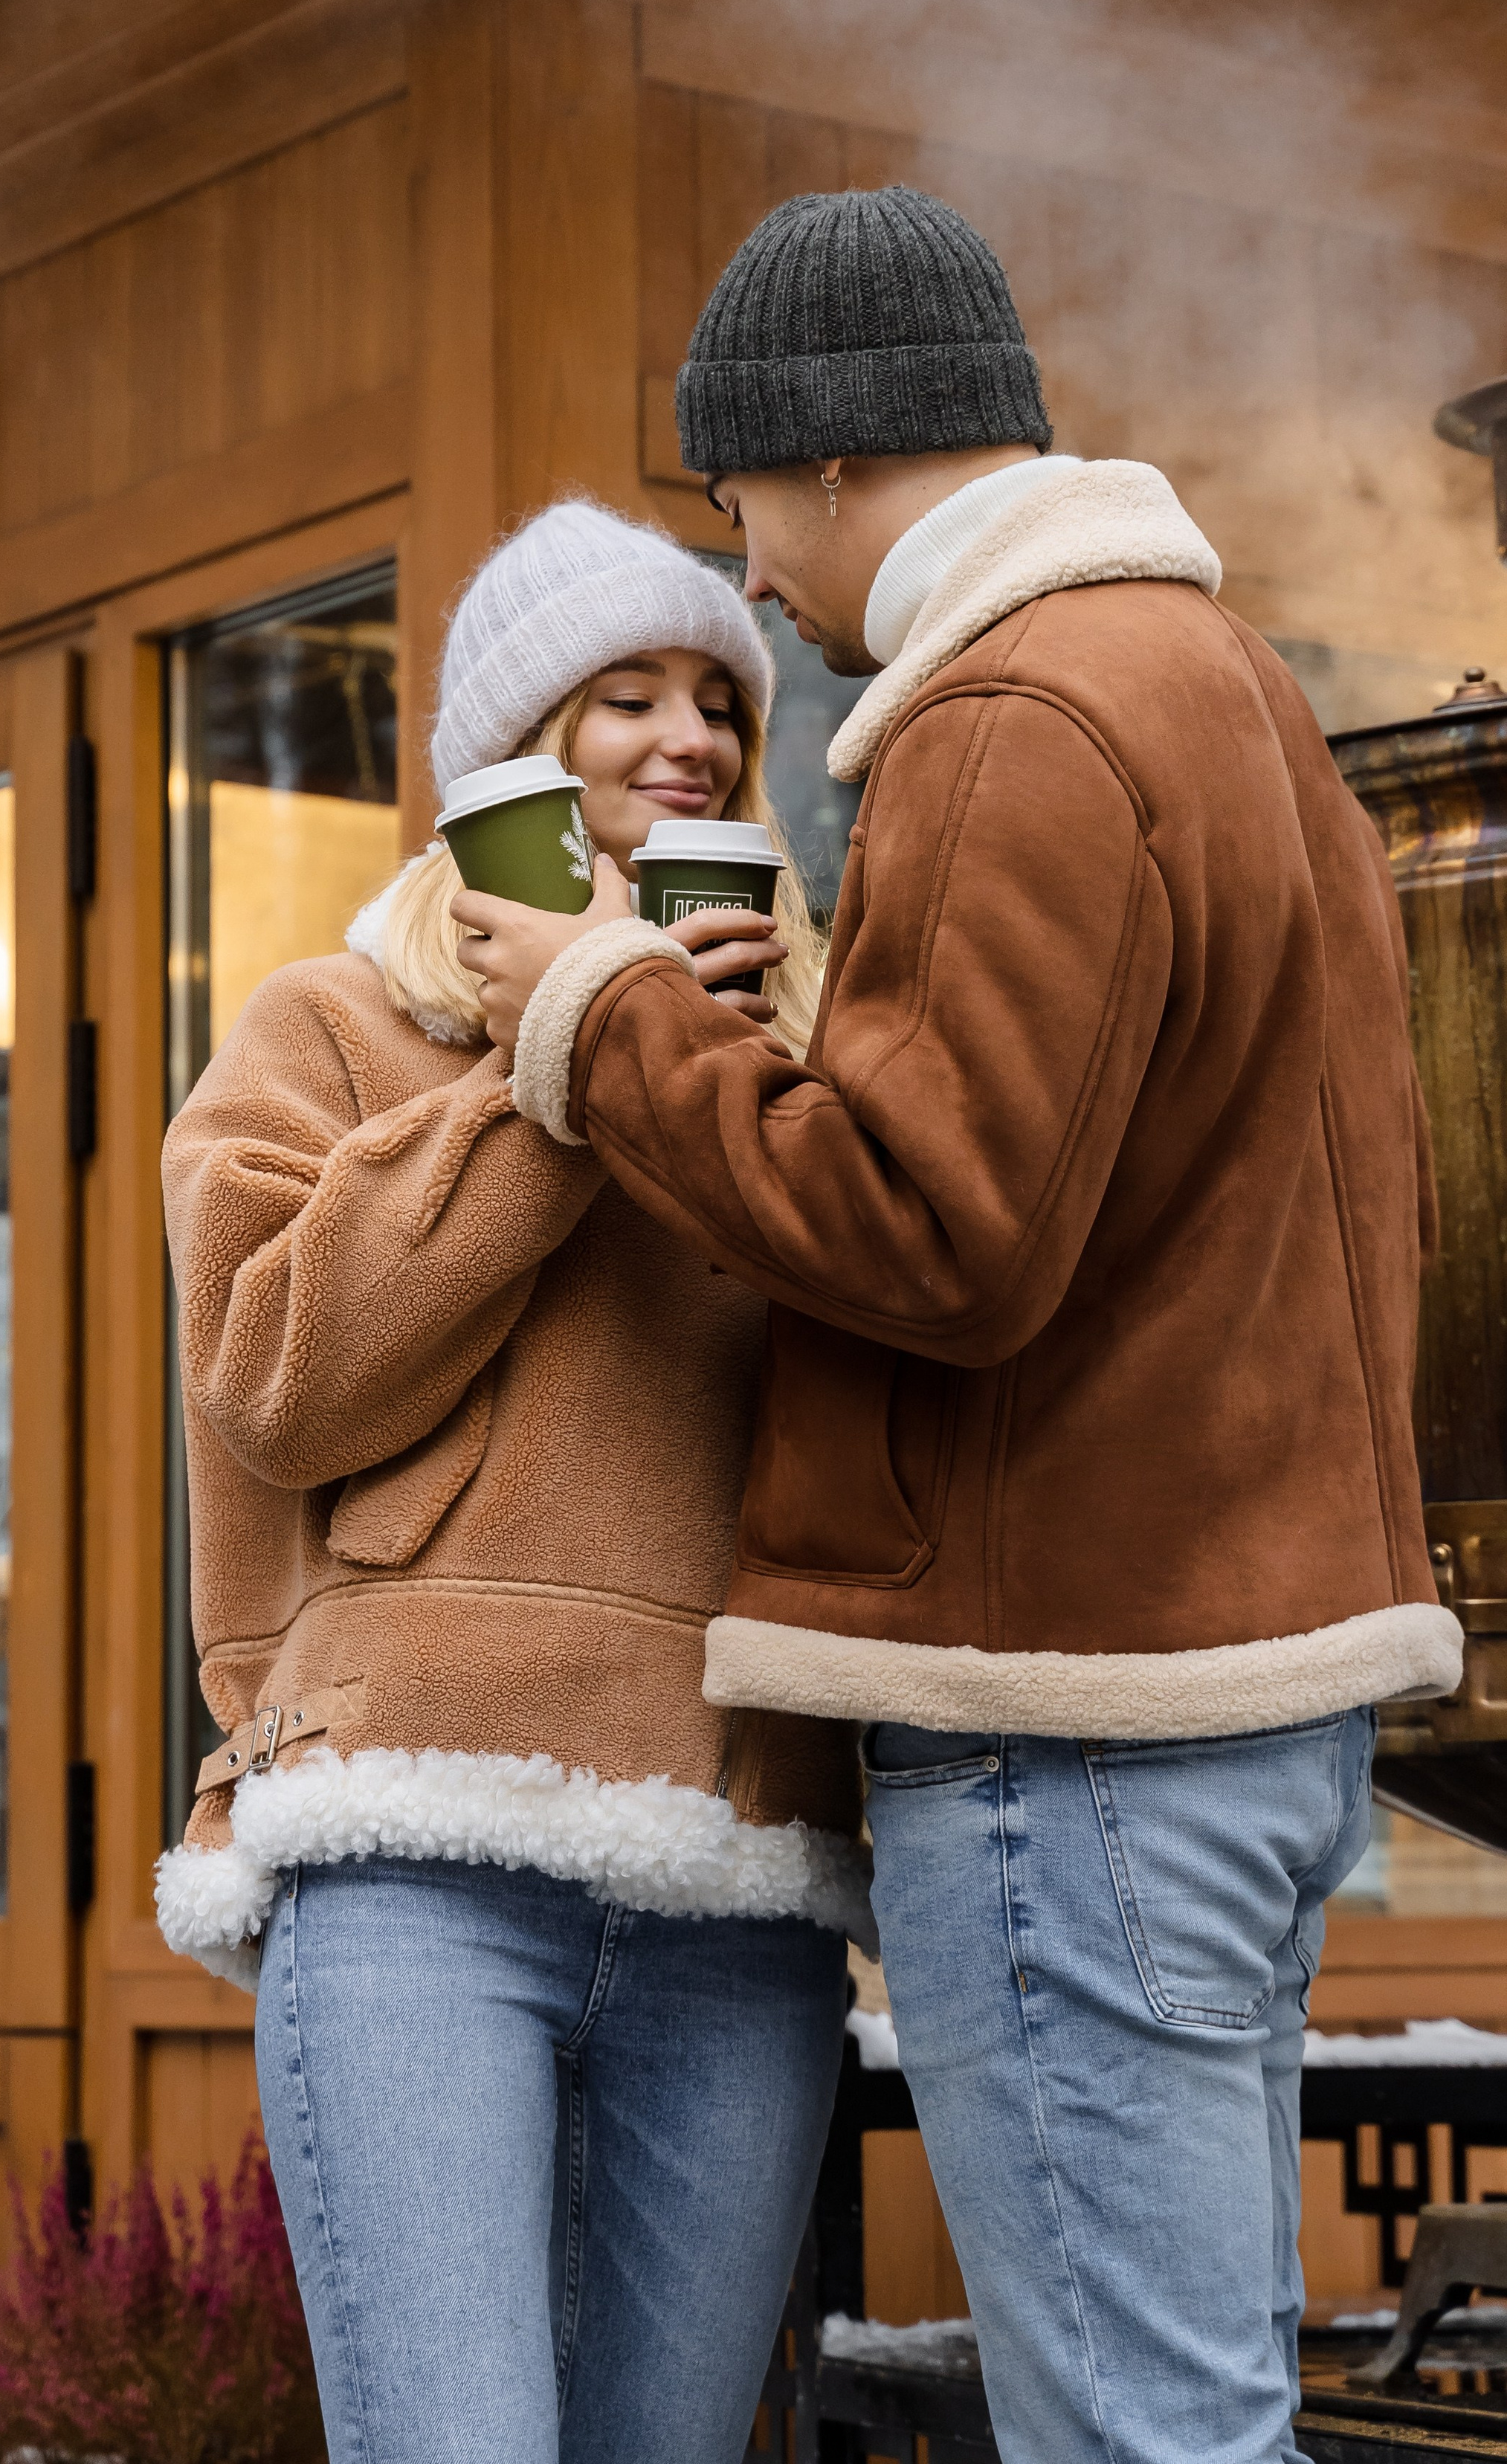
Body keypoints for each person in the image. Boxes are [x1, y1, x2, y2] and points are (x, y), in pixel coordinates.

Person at [454, 188, 1461, 2464]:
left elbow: (933, 1226)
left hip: (1071, 1718)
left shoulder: (1014, 715)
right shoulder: (1239, 701)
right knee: (1189, 2422)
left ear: (820, 459)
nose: (748, 582)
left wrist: (605, 1015)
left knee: (1134, 2440)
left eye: (735, 504)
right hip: (1240, 1701)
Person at [156, 498, 870, 2464]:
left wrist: (706, 1075)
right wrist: (565, 1063)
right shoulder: (333, 1028)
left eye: (717, 702)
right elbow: (274, 1384)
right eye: (620, 696)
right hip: (415, 1872)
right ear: (507, 763)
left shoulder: (805, 1075)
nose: (691, 738)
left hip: (743, 1889)